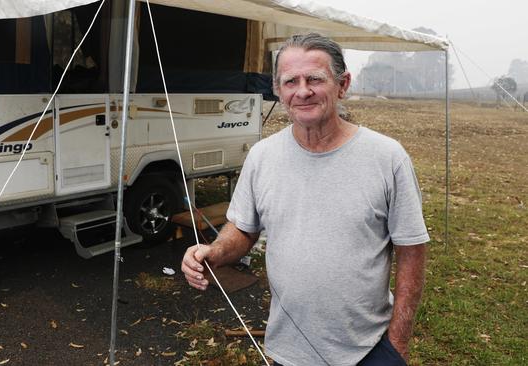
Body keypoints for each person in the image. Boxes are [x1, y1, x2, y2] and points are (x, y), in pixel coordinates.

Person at [181, 33, 429, 366]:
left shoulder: (387, 157)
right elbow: (243, 228)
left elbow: (411, 251)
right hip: (289, 350)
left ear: (342, 84)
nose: (303, 91)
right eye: (290, 81)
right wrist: (215, 252)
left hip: (369, 349)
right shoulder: (261, 157)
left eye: (315, 79)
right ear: (278, 90)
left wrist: (397, 344)